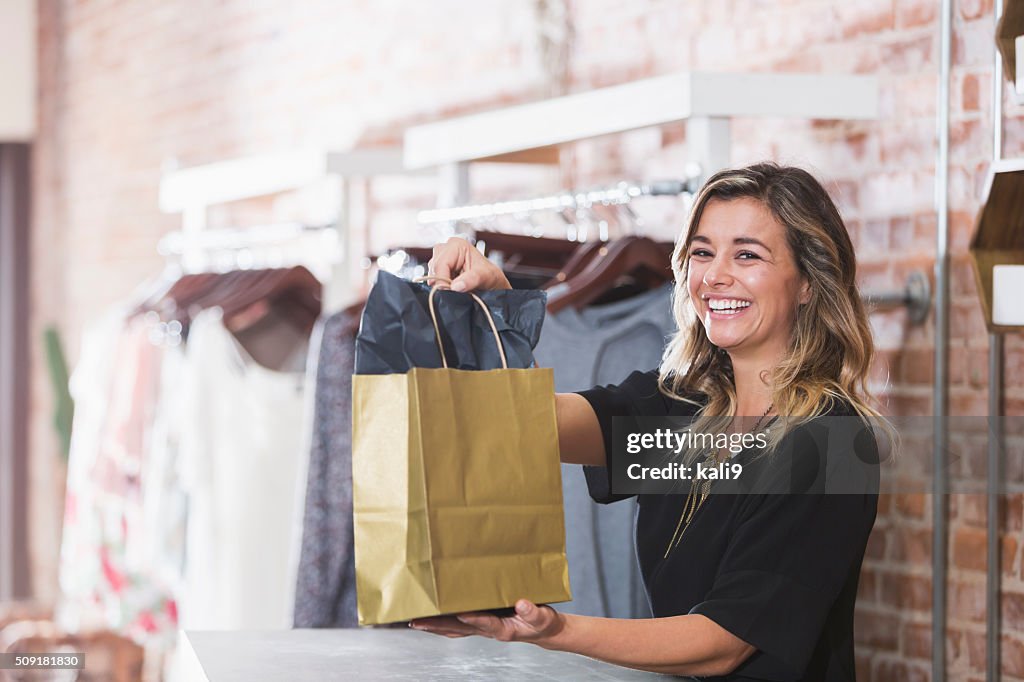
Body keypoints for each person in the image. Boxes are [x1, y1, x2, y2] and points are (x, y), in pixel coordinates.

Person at [411, 162, 888, 681]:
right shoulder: (679, 407)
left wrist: (553, 631)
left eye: (747, 254)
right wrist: (495, 308)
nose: (715, 275)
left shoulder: (829, 442)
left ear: (807, 283)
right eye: (702, 252)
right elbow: (525, 423)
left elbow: (723, 642)